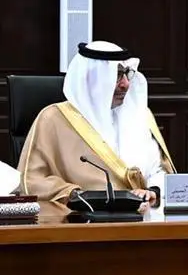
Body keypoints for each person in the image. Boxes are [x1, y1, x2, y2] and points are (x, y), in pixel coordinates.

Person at [18, 41, 174, 207]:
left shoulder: (140, 115)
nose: (125, 84)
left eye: (127, 74)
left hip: (142, 215)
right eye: (117, 75)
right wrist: (74, 195)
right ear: (90, 78)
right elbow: (31, 181)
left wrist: (153, 190)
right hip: (78, 218)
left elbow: (160, 170)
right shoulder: (53, 119)